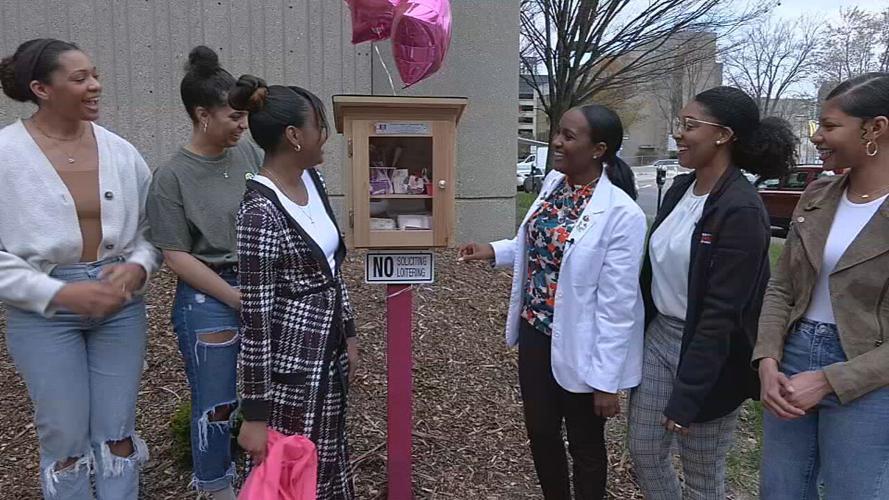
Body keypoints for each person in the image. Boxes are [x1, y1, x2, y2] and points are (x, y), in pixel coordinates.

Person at [459, 104, 646, 499]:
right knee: (541, 433)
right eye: (558, 132)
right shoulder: (552, 186)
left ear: (599, 149)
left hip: (582, 344)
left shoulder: (622, 214)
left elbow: (618, 306)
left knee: (585, 443)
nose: (557, 142)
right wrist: (492, 251)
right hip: (535, 333)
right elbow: (536, 246)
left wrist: (605, 383)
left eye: (569, 136)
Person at [0, 38, 159, 499]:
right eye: (80, 78)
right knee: (65, 441)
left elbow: (152, 229)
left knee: (118, 435)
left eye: (95, 74)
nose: (95, 85)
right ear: (41, 89)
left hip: (121, 307)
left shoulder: (121, 152)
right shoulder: (6, 154)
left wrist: (137, 268)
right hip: (43, 313)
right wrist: (58, 293)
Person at [628, 86, 796, 499]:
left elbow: (723, 313)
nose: (678, 135)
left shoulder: (741, 209)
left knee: (703, 476)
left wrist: (688, 396)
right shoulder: (680, 190)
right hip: (660, 338)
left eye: (689, 126)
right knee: (644, 451)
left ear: (723, 134)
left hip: (712, 353)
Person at [754, 73, 889, 499]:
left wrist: (830, 380)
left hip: (868, 376)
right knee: (781, 490)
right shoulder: (819, 194)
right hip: (792, 361)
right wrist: (768, 358)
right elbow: (782, 288)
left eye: (830, 126)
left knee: (856, 491)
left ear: (875, 128)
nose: (816, 137)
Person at [229, 75, 359, 500]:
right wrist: (255, 413)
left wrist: (350, 331)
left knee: (328, 465)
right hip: (290, 375)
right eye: (318, 126)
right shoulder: (260, 212)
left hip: (330, 357)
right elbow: (256, 319)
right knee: (292, 479)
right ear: (293, 136)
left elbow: (333, 268)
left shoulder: (313, 183)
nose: (325, 136)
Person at [145, 46, 261, 500]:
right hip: (207, 298)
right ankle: (215, 486)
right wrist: (234, 299)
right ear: (201, 114)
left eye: (244, 116)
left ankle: (261, 478)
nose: (242, 125)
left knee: (264, 396)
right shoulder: (171, 176)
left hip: (261, 283)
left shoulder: (249, 155)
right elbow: (175, 255)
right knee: (216, 403)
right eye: (233, 116)